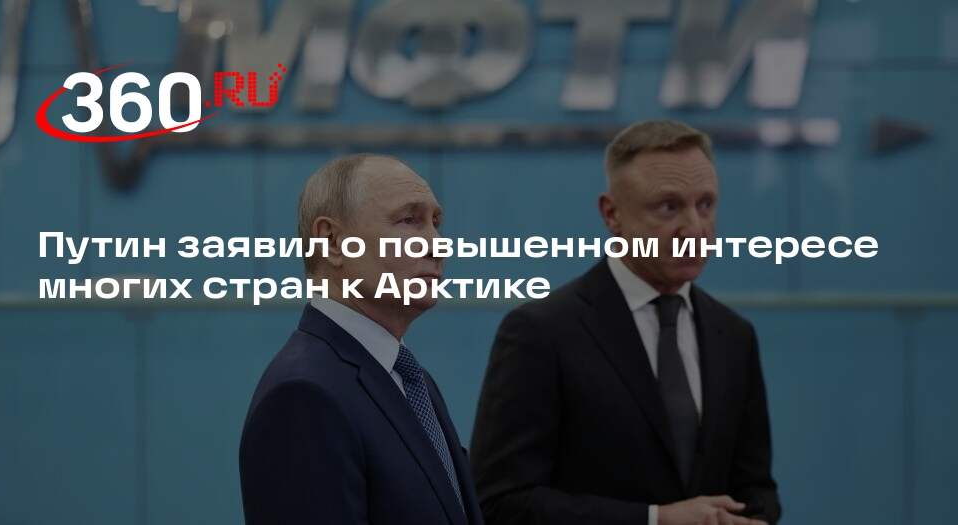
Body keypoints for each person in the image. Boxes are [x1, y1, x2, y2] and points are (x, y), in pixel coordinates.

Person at [470, 120, 781, 525]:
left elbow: (756, 489)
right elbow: (499, 502)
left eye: (705, 204)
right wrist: (655, 519)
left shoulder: (734, 335)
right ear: (612, 214)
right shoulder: (539, 332)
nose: (695, 228)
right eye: (669, 207)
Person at [240, 153, 482, 525]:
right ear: (333, 241)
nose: (438, 245)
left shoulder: (409, 379)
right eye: (409, 220)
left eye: (436, 223)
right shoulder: (303, 394)